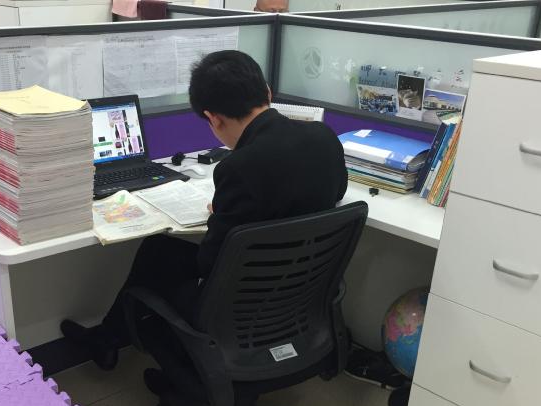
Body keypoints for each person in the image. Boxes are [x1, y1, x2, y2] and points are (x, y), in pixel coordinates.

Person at [61, 50, 347, 370]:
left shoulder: (239, 167)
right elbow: (336, 193)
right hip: (300, 292)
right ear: (267, 93)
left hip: (241, 302)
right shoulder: (324, 138)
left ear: (214, 118)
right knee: (159, 250)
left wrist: (218, 215)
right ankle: (109, 340)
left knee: (157, 257)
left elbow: (208, 262)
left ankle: (125, 346)